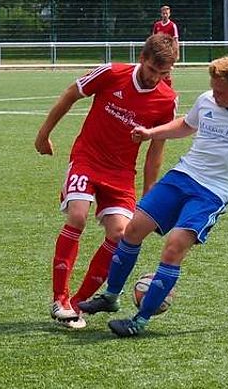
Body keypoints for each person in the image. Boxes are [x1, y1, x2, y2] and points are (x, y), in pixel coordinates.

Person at [78, 55, 228, 337]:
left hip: (212, 192)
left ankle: (139, 321)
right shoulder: (206, 100)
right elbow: (186, 125)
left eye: (221, 91)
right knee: (132, 230)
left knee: (174, 247)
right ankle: (111, 296)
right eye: (213, 88)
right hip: (181, 176)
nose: (214, 95)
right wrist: (151, 133)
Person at [35, 33, 178, 329]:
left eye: (163, 73)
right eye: (152, 70)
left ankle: (77, 305)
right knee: (77, 216)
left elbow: (156, 149)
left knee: (119, 233)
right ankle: (59, 299)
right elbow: (70, 94)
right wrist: (43, 134)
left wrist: (149, 193)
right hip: (87, 159)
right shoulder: (112, 73)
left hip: (122, 173)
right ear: (142, 59)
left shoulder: (167, 100)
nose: (155, 78)